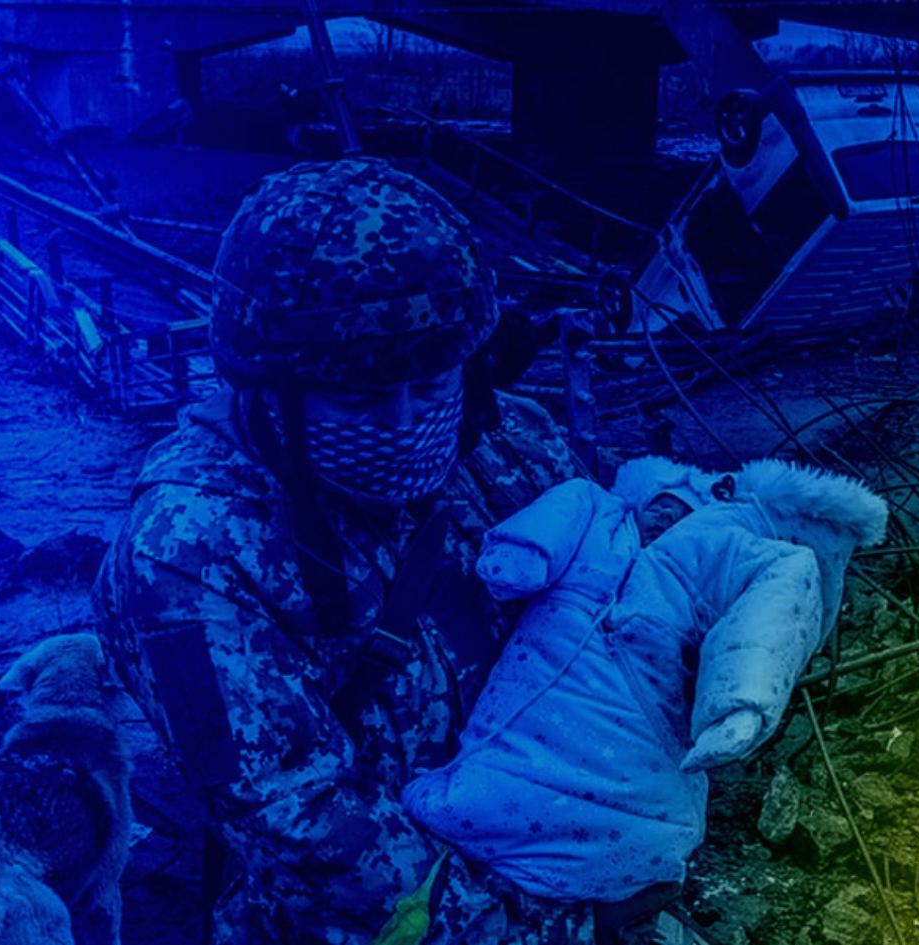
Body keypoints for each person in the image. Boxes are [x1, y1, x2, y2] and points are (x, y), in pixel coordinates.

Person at [95, 157, 632, 943]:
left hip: (569, 857)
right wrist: (557, 932)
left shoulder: (510, 444)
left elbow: (620, 611)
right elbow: (303, 826)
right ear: (270, 388)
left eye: (432, 385)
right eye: (357, 397)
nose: (403, 423)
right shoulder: (186, 556)